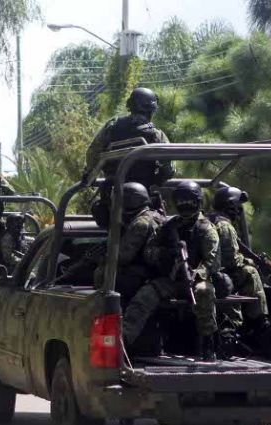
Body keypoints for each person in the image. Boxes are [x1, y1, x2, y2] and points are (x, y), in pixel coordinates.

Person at [122, 181, 222, 360]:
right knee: (145, 295)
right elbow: (149, 251)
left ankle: (208, 343)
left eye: (189, 202)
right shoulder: (168, 227)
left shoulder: (206, 229)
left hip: (196, 279)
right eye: (182, 202)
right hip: (170, 280)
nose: (185, 206)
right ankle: (124, 342)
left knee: (204, 292)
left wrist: (196, 273)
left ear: (198, 202)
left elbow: (213, 262)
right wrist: (165, 255)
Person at [81, 87, 174, 228]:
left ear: (130, 106)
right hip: (144, 201)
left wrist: (89, 175)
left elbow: (93, 153)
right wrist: (159, 178)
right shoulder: (156, 135)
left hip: (113, 199)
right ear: (151, 110)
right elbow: (169, 170)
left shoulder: (112, 127)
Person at [209, 186, 269, 333]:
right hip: (219, 276)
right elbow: (232, 261)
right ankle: (259, 321)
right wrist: (251, 262)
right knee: (251, 272)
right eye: (238, 206)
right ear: (231, 206)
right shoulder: (224, 225)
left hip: (208, 273)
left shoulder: (209, 219)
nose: (240, 210)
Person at [91, 182, 166, 300]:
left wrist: (100, 258)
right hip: (156, 273)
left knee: (104, 271)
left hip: (146, 274)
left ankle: (106, 304)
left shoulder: (140, 223)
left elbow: (122, 257)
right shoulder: (156, 216)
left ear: (129, 202)